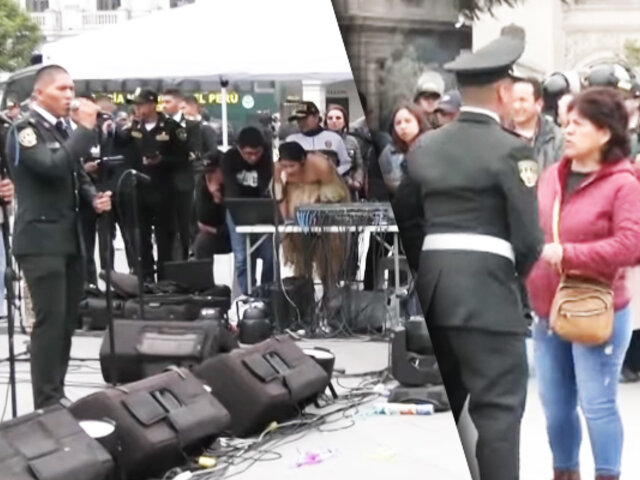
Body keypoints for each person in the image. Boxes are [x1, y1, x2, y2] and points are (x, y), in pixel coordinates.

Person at [406, 35, 543, 480]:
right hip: (488, 295)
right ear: (503, 92)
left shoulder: (425, 146)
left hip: (434, 289)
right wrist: (509, 280)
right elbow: (529, 239)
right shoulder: (511, 149)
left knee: (446, 409)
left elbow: (408, 218)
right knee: (498, 414)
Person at [526, 87, 640, 480]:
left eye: (578, 124)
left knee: (597, 405)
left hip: (597, 309)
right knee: (556, 408)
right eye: (567, 123)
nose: (568, 131)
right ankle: (565, 473)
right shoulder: (550, 178)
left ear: (604, 133)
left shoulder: (624, 184)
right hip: (547, 310)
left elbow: (631, 246)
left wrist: (568, 253)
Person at [5, 65, 112, 409]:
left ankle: (57, 391)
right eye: (62, 89)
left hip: (68, 238)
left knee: (66, 322)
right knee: (49, 322)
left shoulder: (62, 129)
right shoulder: (25, 130)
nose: (70, 95)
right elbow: (51, 167)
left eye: (72, 89)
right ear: (39, 94)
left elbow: (76, 174)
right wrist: (84, 131)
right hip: (41, 240)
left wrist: (93, 198)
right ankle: (46, 400)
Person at [116, 88, 189, 281]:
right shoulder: (131, 129)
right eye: (135, 105)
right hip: (138, 190)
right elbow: (122, 152)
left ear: (152, 105)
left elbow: (184, 159)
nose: (137, 109)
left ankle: (165, 279)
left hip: (163, 189)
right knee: (141, 236)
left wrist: (162, 160)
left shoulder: (171, 128)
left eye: (140, 105)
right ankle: (145, 277)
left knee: (165, 237)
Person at [274, 141, 349, 294]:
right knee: (299, 253)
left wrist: (317, 216)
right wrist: (288, 220)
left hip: (324, 203)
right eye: (284, 166)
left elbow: (333, 198)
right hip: (295, 201)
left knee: (328, 252)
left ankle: (330, 290)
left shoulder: (321, 166)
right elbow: (280, 196)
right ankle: (303, 291)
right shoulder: (278, 168)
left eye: (291, 166)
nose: (287, 170)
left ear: (302, 161)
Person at [222, 126, 274, 295]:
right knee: (242, 257)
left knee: (269, 255)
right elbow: (230, 187)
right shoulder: (229, 158)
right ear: (239, 149)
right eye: (248, 154)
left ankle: (267, 292)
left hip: (262, 207)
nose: (253, 158)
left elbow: (266, 186)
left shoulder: (266, 158)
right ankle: (247, 294)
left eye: (256, 153)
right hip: (236, 207)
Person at [285, 101, 352, 176]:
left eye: (304, 118)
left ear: (316, 117)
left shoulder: (334, 138)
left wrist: (333, 174)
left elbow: (346, 163)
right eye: (298, 119)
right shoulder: (291, 141)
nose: (301, 122)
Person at [512, 77, 564, 172]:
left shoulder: (557, 139)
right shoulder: (498, 132)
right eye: (513, 100)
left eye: (522, 100)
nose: (516, 106)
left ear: (539, 104)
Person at [193, 151, 231, 259]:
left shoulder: (232, 184)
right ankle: (204, 270)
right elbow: (202, 220)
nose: (209, 176)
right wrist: (216, 199)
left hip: (233, 233)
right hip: (218, 235)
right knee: (202, 242)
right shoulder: (203, 184)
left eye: (213, 172)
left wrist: (215, 231)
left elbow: (237, 220)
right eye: (206, 173)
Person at [325, 104, 364, 197]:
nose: (334, 121)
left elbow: (359, 166)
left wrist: (358, 181)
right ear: (326, 122)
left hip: (349, 189)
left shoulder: (352, 141)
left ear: (345, 121)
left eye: (338, 118)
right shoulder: (320, 141)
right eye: (330, 118)